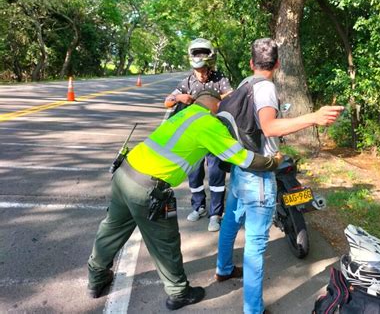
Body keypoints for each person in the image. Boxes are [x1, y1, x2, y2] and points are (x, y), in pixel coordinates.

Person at [87, 89, 283, 311]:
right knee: (165, 242)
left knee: (112, 228)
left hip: (125, 173)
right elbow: (242, 158)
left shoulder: (184, 113)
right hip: (148, 189)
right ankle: (179, 293)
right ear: (215, 105)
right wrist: (274, 162)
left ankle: (96, 279)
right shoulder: (209, 123)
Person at [215, 38, 344, 314]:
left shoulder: (243, 85)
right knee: (256, 243)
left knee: (231, 220)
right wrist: (315, 117)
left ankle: (223, 269)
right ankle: (253, 310)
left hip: (240, 165)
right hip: (259, 174)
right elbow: (270, 127)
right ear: (278, 64)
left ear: (251, 63)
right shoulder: (266, 89)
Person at [164, 38, 233, 232]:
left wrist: (219, 102)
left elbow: (231, 97)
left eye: (204, 71)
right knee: (194, 174)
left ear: (210, 65)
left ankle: (216, 214)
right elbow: (167, 102)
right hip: (193, 136)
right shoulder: (186, 81)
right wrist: (179, 97)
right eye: (198, 71)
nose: (201, 75)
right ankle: (199, 206)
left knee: (216, 174)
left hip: (214, 134)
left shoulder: (220, 79)